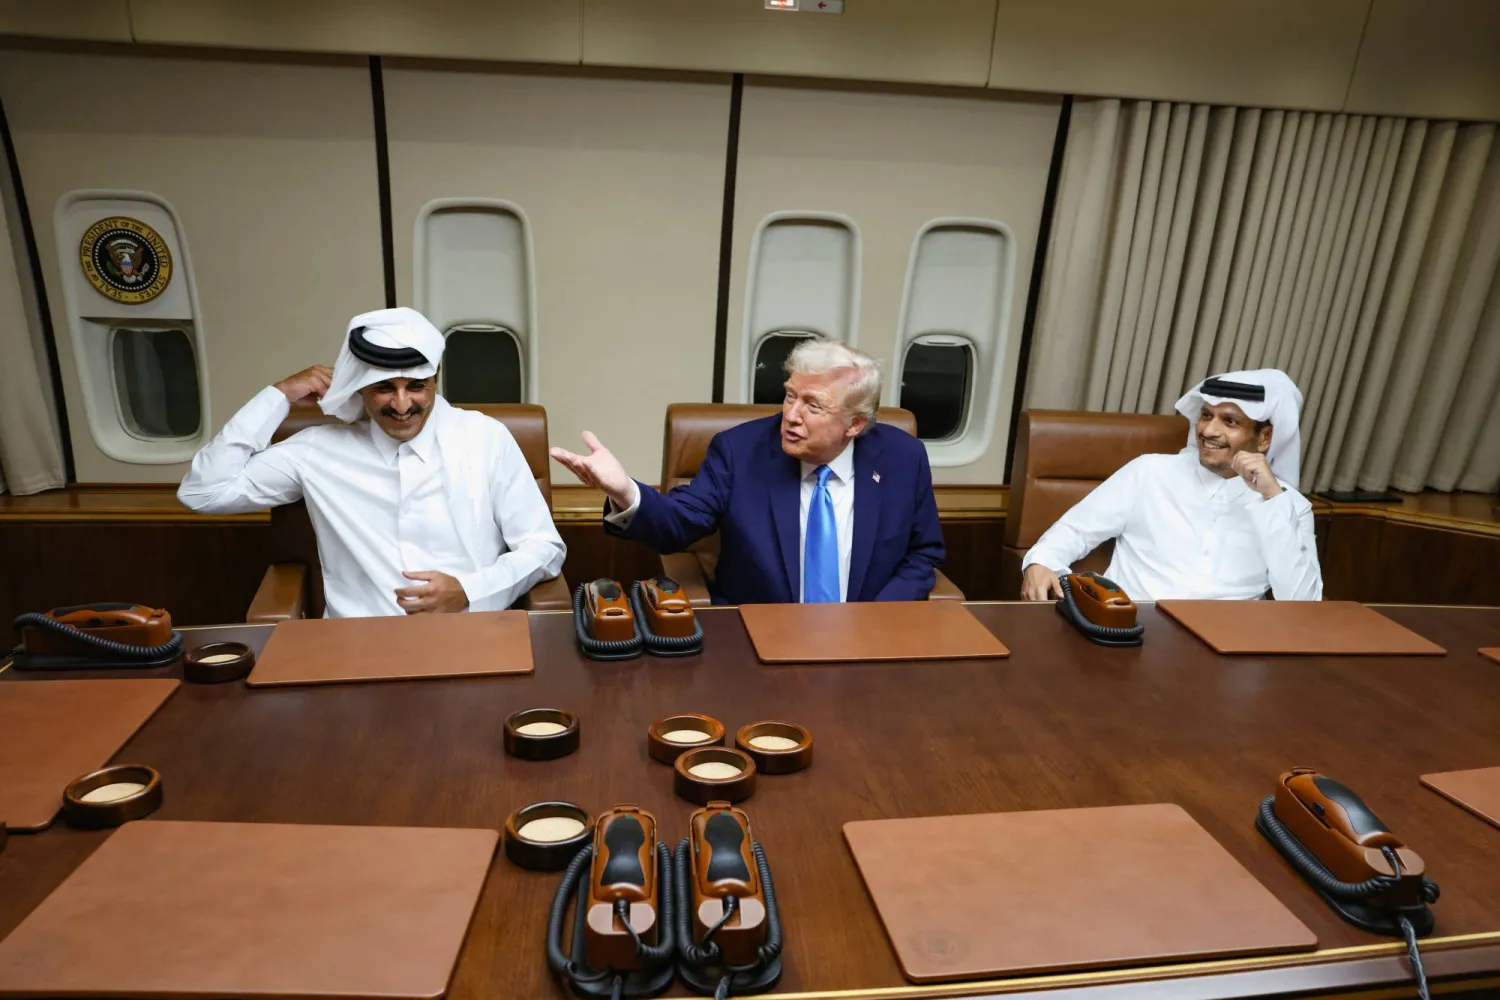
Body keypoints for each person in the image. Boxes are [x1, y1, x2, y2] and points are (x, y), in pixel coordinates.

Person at [178, 307, 564, 617]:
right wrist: (278, 396)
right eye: (383, 388)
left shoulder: (485, 439)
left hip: (473, 638)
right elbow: (203, 492)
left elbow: (544, 549)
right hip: (358, 648)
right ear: (360, 387)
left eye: (416, 386)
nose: (401, 405)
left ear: (435, 379)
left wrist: (469, 592)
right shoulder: (318, 451)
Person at [550, 340, 944, 604]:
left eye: (813, 405)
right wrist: (625, 491)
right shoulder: (740, 451)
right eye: (790, 395)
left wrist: (879, 618)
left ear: (855, 425)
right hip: (755, 639)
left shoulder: (902, 458)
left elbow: (923, 552)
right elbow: (680, 522)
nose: (790, 415)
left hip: (869, 641)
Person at [1021, 369, 1322, 602]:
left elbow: (1302, 604)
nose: (1209, 430)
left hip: (1232, 646)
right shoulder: (1150, 471)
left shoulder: (1290, 505)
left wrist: (1271, 498)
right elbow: (1074, 530)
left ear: (1265, 437)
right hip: (1133, 626)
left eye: (1229, 422)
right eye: (1206, 416)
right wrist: (1041, 562)